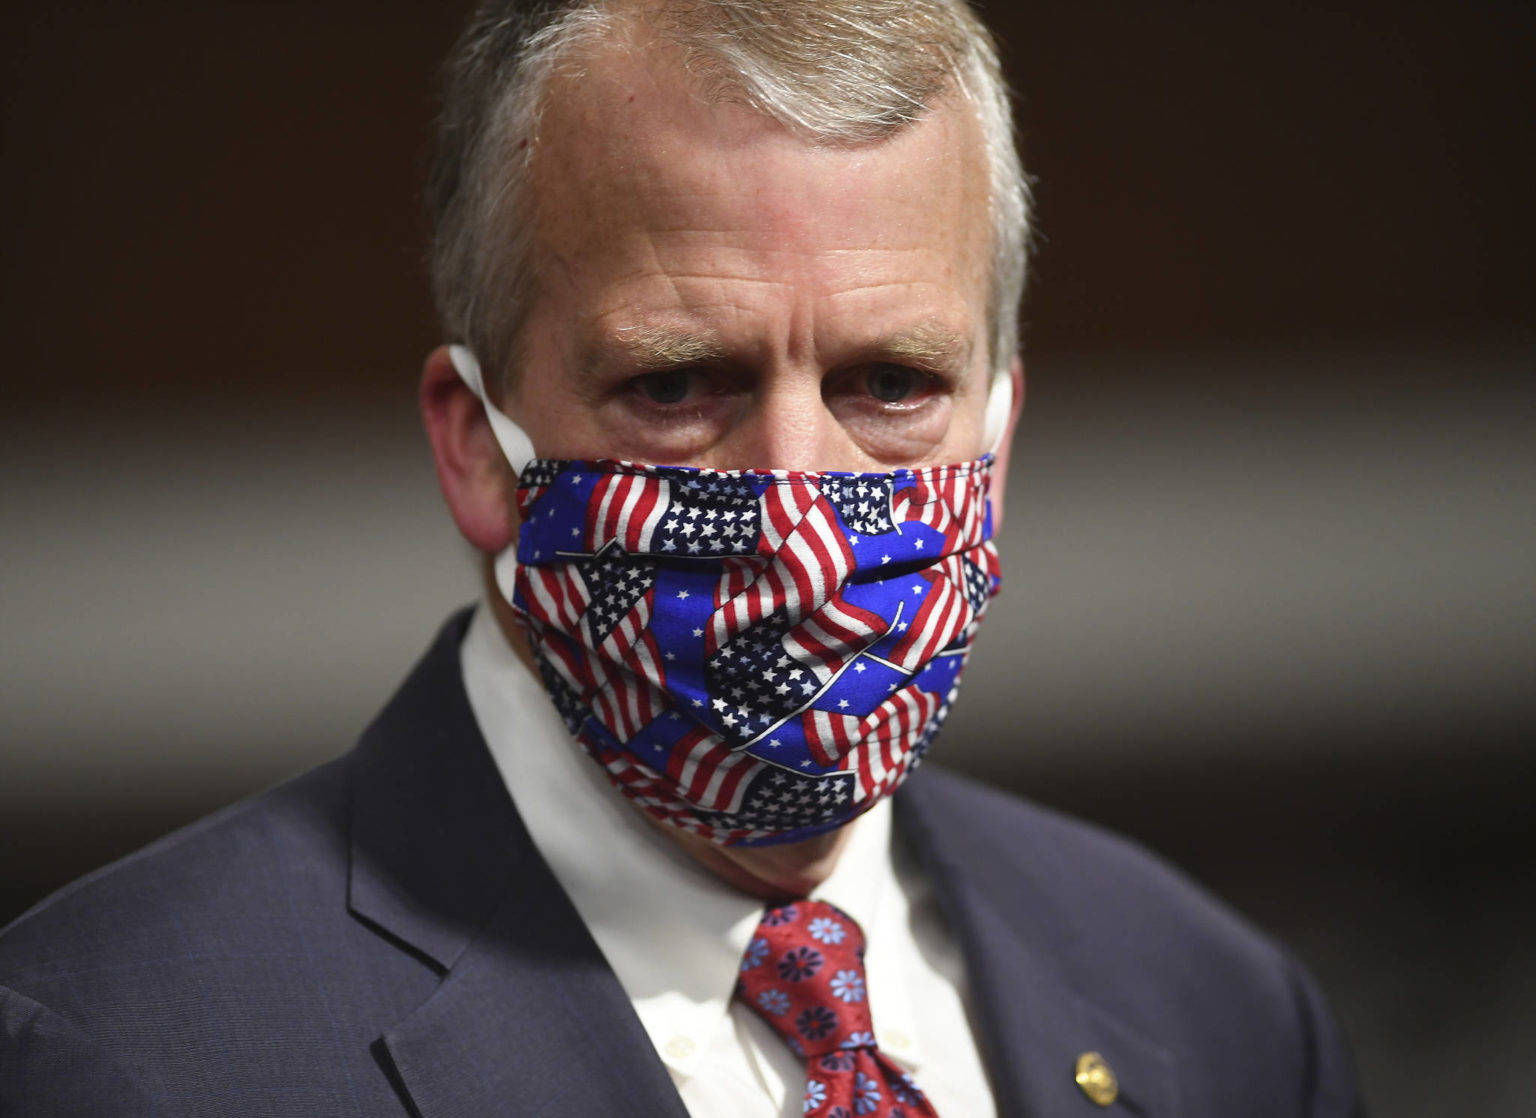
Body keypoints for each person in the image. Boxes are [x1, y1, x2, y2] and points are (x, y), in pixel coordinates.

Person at [0, 2, 1364, 1115]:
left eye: (890, 381)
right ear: (479, 444)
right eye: (678, 383)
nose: (798, 491)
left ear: (996, 443)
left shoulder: (1223, 1017)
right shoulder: (116, 1053)